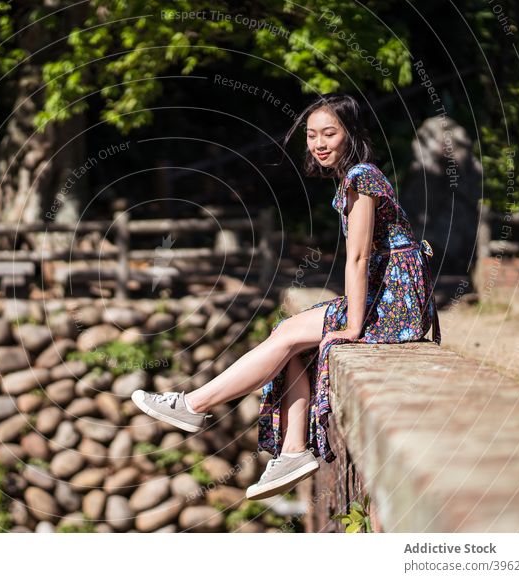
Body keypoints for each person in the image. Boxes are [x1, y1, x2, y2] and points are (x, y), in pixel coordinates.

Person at [132, 92, 441, 501]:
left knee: (286, 337)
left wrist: (350, 325)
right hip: (391, 293)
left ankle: (194, 404)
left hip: (394, 300)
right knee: (288, 339)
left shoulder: (361, 176)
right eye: (312, 135)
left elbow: (361, 256)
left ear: (351, 134)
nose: (319, 143)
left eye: (330, 133)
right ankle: (293, 450)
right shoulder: (354, 178)